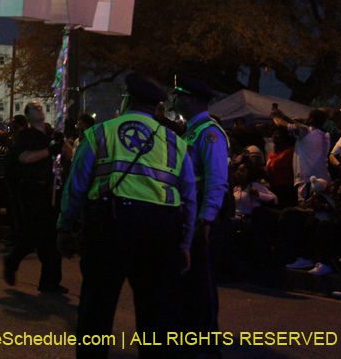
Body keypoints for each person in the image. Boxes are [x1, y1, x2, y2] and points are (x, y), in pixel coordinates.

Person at [57, 73, 196, 359]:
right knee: (157, 314)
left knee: (97, 308)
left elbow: (77, 184)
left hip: (111, 224)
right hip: (161, 230)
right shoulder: (175, 142)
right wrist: (185, 242)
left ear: (127, 99)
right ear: (156, 107)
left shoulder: (100, 133)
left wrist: (65, 225)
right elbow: (190, 198)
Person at [172, 74, 228, 359]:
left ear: (193, 99)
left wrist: (206, 220)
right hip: (188, 216)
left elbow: (217, 180)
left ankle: (205, 343)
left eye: (180, 95)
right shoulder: (190, 132)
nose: (175, 99)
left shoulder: (209, 133)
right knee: (189, 281)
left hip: (201, 221)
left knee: (202, 282)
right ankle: (191, 335)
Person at [3, 100, 66, 294]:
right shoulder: (26, 135)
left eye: (41, 107)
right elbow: (24, 158)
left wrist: (63, 143)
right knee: (35, 234)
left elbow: (69, 154)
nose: (39, 109)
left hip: (51, 191)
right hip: (32, 190)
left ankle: (50, 281)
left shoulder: (49, 135)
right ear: (28, 116)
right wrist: (49, 150)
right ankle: (13, 260)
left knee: (51, 237)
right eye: (34, 108)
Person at [271, 107, 330, 202]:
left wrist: (274, 116)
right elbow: (298, 126)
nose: (305, 119)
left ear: (311, 119)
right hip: (323, 178)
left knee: (308, 208)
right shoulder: (324, 134)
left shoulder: (305, 132)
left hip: (309, 180)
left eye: (307, 117)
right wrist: (284, 116)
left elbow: (281, 124)